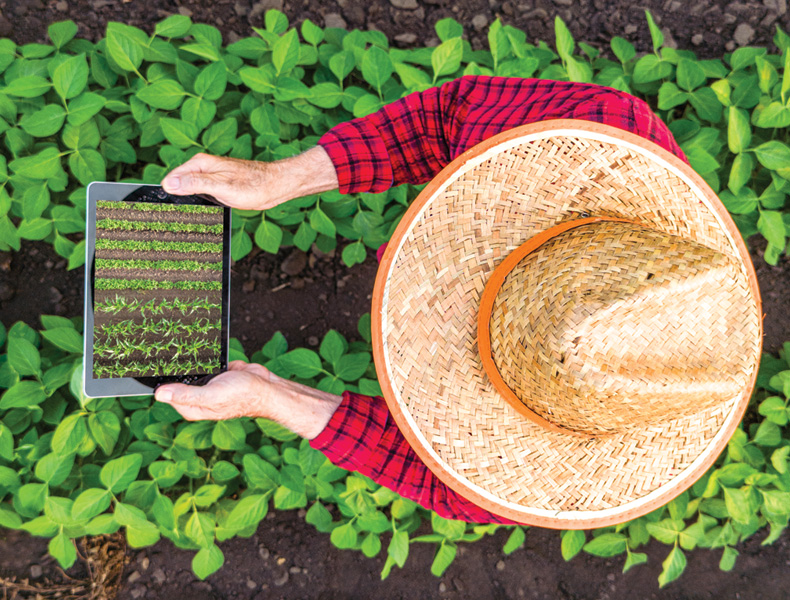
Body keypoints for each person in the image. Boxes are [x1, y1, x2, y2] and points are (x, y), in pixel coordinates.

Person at [153, 75, 688, 524]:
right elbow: (445, 119)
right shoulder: (599, 128)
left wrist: (272, 398)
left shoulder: (568, 481)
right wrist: (283, 179)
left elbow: (440, 481)